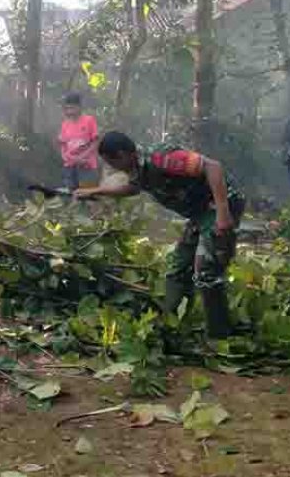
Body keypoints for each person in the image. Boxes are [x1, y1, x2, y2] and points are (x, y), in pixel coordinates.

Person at [74, 132, 246, 339]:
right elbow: (134, 188)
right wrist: (97, 191)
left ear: (121, 155)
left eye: (111, 162)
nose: (112, 167)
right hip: (200, 213)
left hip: (218, 206)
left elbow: (212, 167)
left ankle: (220, 337)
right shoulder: (137, 167)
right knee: (178, 267)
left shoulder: (161, 159)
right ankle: (172, 325)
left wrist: (222, 212)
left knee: (207, 270)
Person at [57, 93, 99, 191]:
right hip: (69, 166)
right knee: (70, 193)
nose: (69, 111)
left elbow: (96, 142)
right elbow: (63, 144)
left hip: (87, 165)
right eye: (67, 108)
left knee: (88, 194)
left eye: (72, 108)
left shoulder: (89, 120)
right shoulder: (65, 124)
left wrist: (82, 157)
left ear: (79, 107)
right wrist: (65, 156)